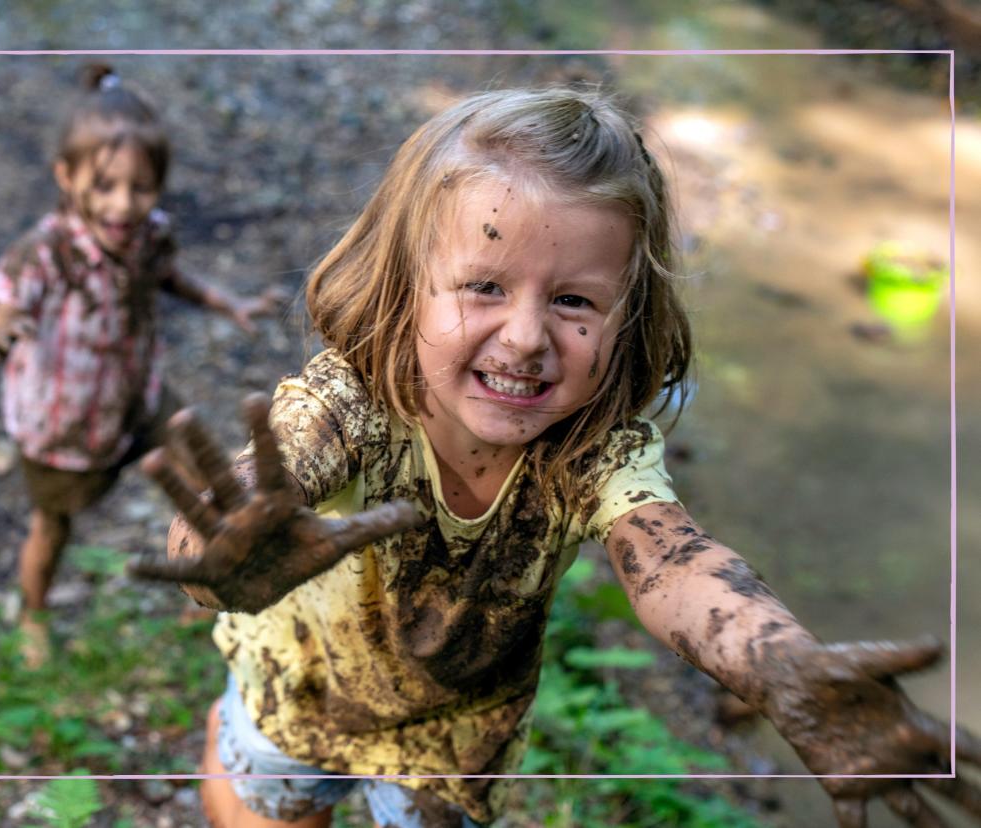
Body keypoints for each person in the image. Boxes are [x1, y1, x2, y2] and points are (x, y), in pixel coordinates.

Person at [129, 87, 980, 827]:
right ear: (404, 285)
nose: (529, 337)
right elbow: (234, 512)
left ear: (629, 317)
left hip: (454, 730)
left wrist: (776, 662)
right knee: (273, 812)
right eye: (485, 286)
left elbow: (675, 564)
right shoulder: (349, 402)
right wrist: (221, 560)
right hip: (298, 686)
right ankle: (224, 745)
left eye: (575, 300)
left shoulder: (590, 446)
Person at [0, 64, 281, 669]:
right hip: (63, 422)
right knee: (53, 523)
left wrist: (227, 302)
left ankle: (214, 576)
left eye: (140, 188)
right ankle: (34, 613)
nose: (123, 205)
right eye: (106, 186)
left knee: (208, 471)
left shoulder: (149, 233)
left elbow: (167, 277)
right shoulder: (45, 254)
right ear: (66, 177)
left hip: (138, 394)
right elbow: (0, 313)